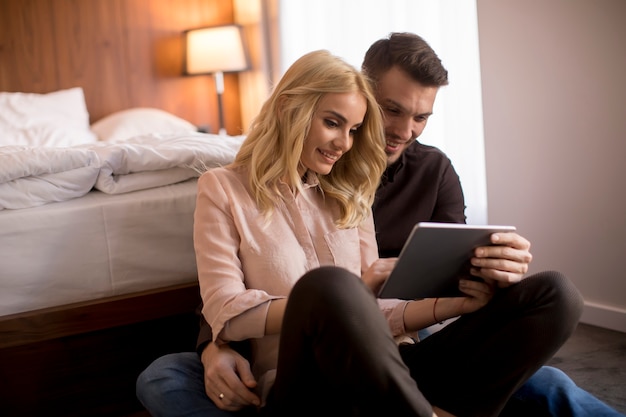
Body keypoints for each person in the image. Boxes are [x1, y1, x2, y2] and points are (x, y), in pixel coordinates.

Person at [136, 36, 613, 416]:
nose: (346, 143)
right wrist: (343, 296)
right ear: (288, 108)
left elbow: (382, 312)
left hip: (393, 367)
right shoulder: (221, 189)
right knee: (328, 289)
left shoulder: (351, 191)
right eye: (333, 123)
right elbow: (227, 310)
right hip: (306, 384)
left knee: (556, 293)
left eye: (354, 129)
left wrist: (459, 300)